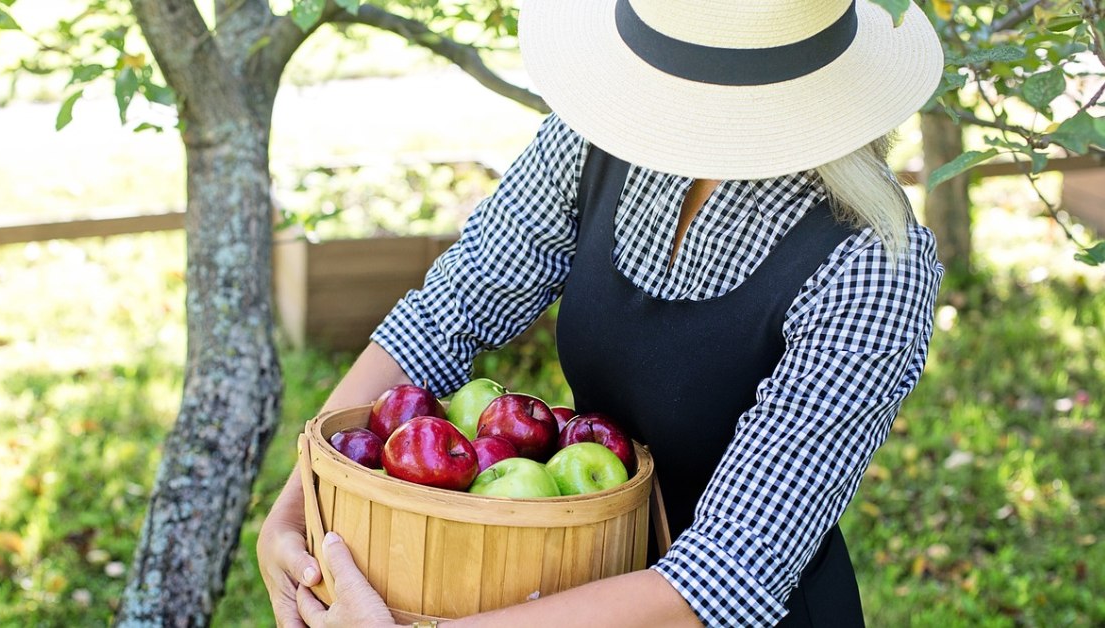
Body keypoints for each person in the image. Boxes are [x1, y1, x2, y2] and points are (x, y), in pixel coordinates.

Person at [258, 0, 945, 625]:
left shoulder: (874, 264)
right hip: (572, 583)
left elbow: (728, 575)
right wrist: (296, 504)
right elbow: (444, 317)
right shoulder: (603, 139)